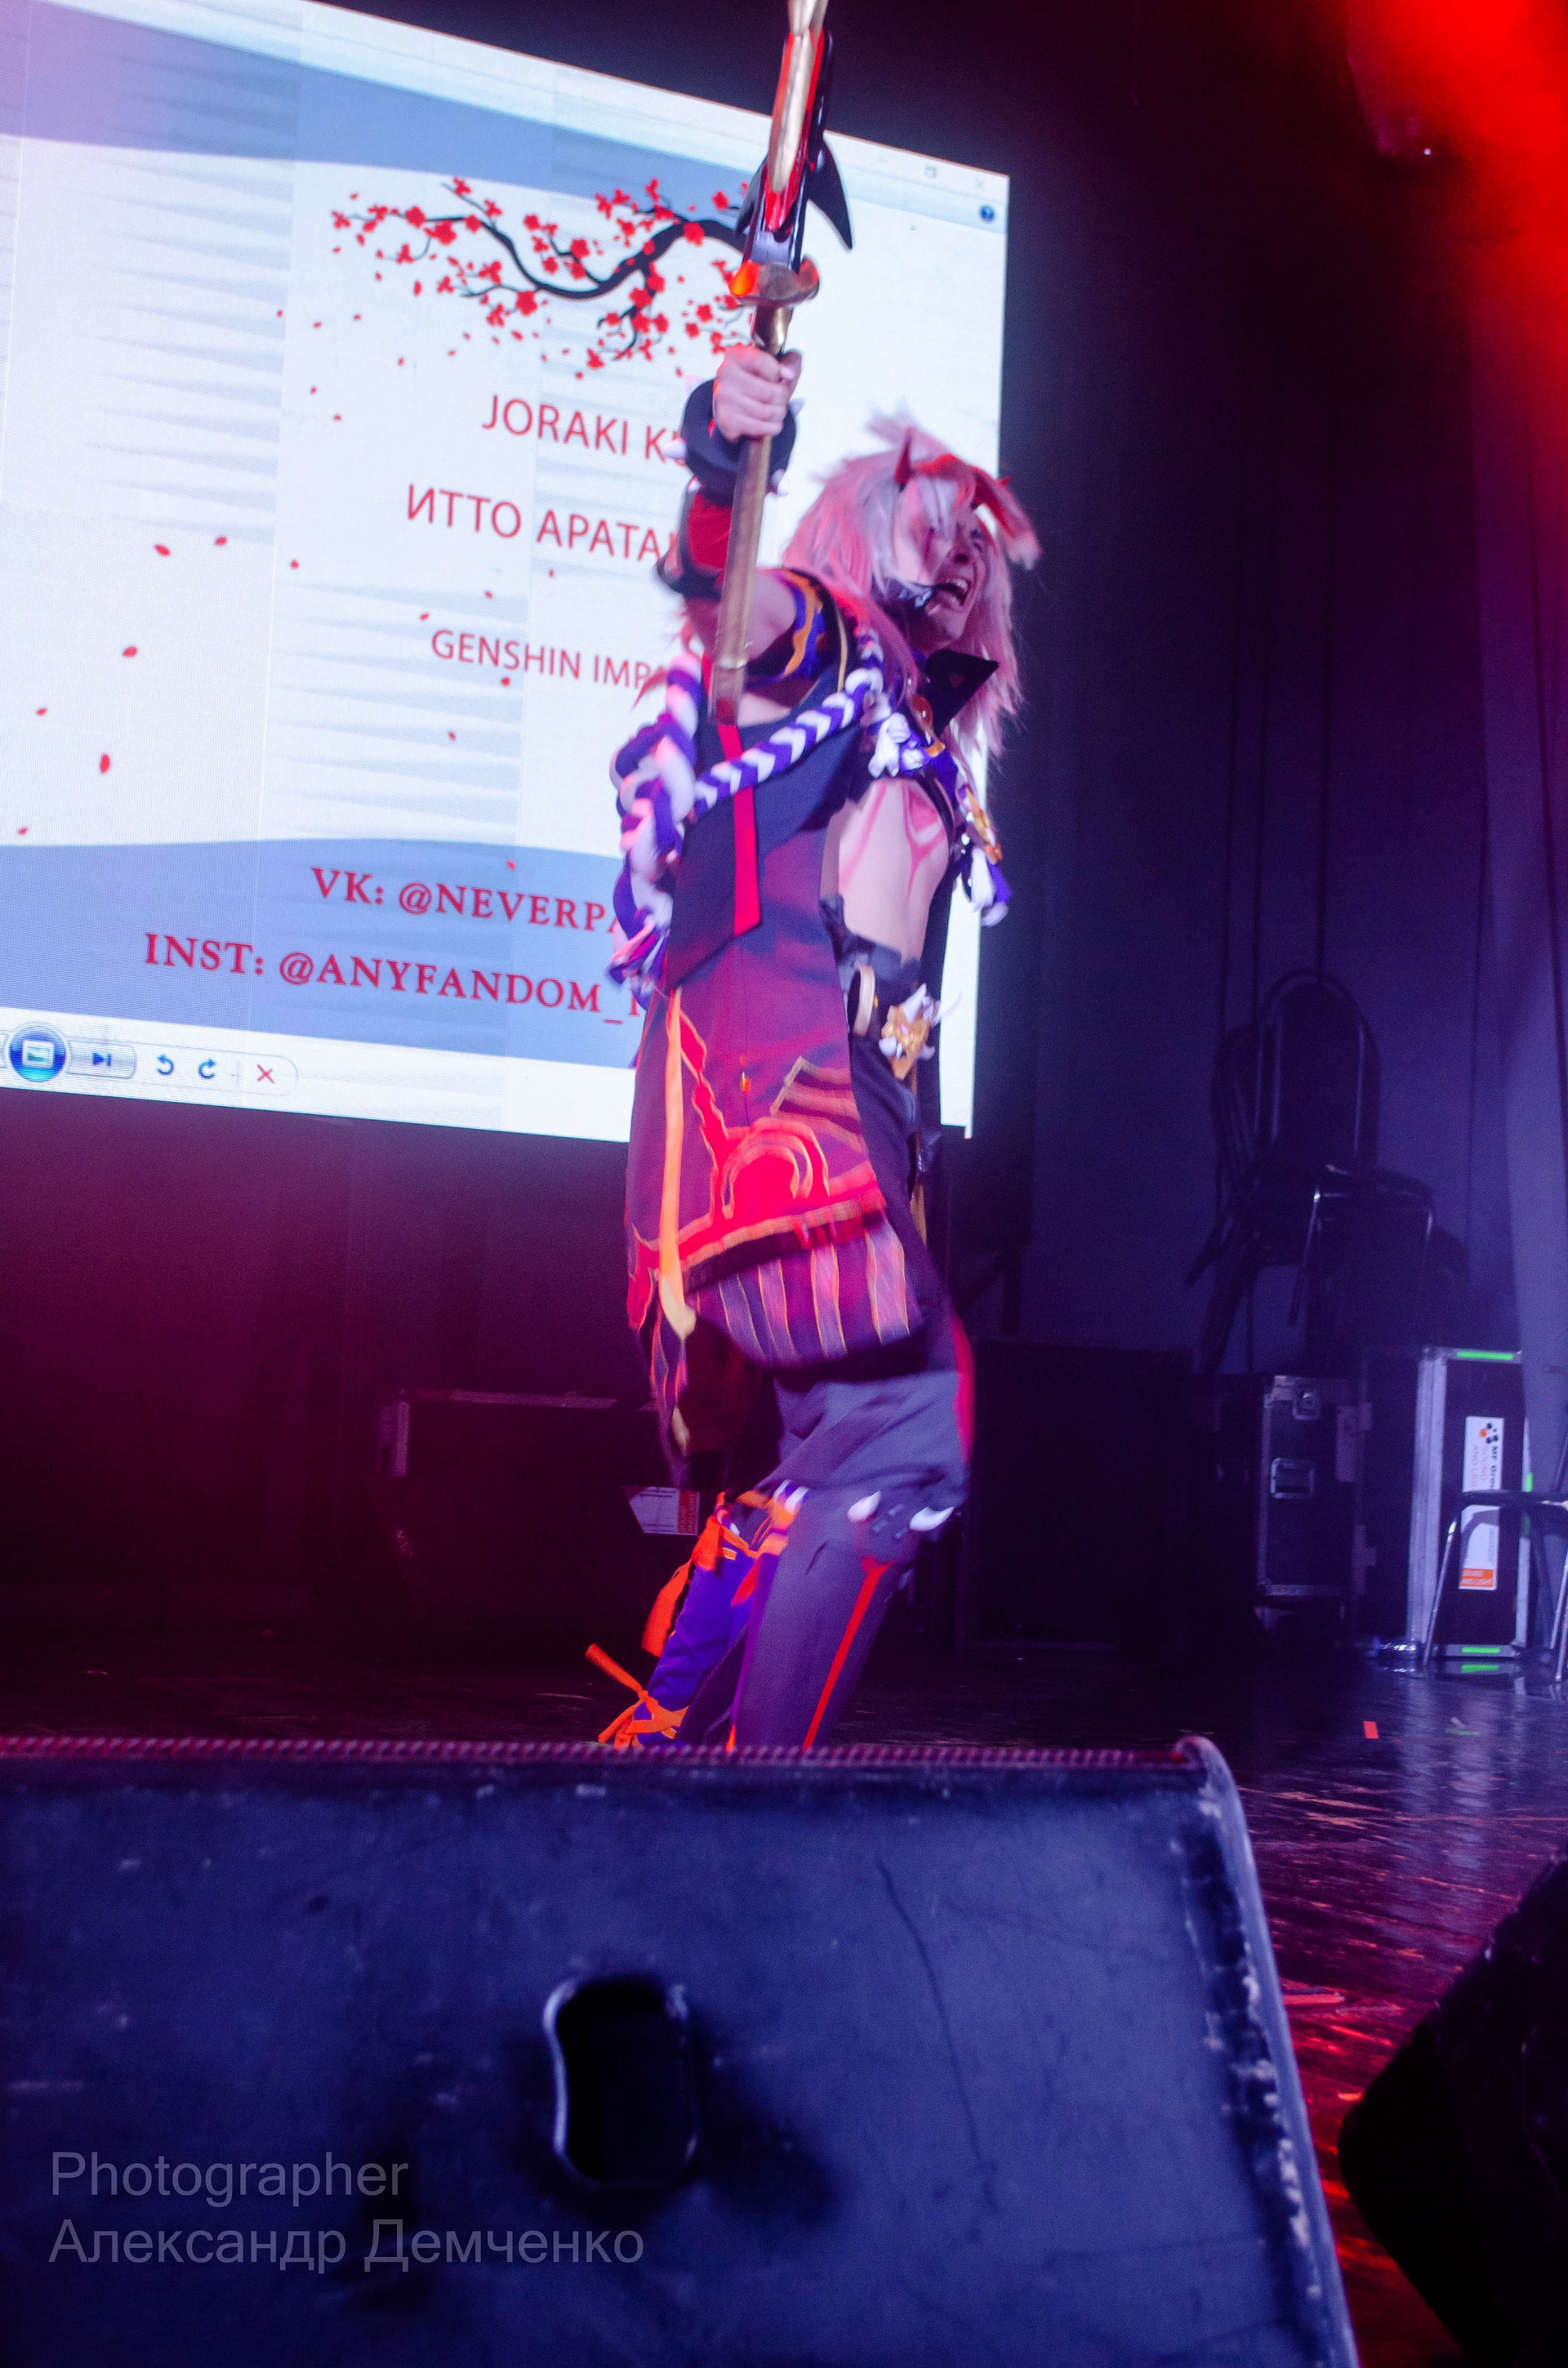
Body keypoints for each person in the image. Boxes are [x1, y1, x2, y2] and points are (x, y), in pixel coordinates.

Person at [594, 341, 1037, 1750]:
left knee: (834, 1454)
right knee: (906, 1438)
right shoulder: (835, 640)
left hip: (845, 1130)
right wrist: (725, 459)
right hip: (785, 1120)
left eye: (979, 539)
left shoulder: (915, 716)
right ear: (861, 522)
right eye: (933, 516)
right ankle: (759, 1799)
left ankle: (684, 1704)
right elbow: (731, 609)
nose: (958, 546)